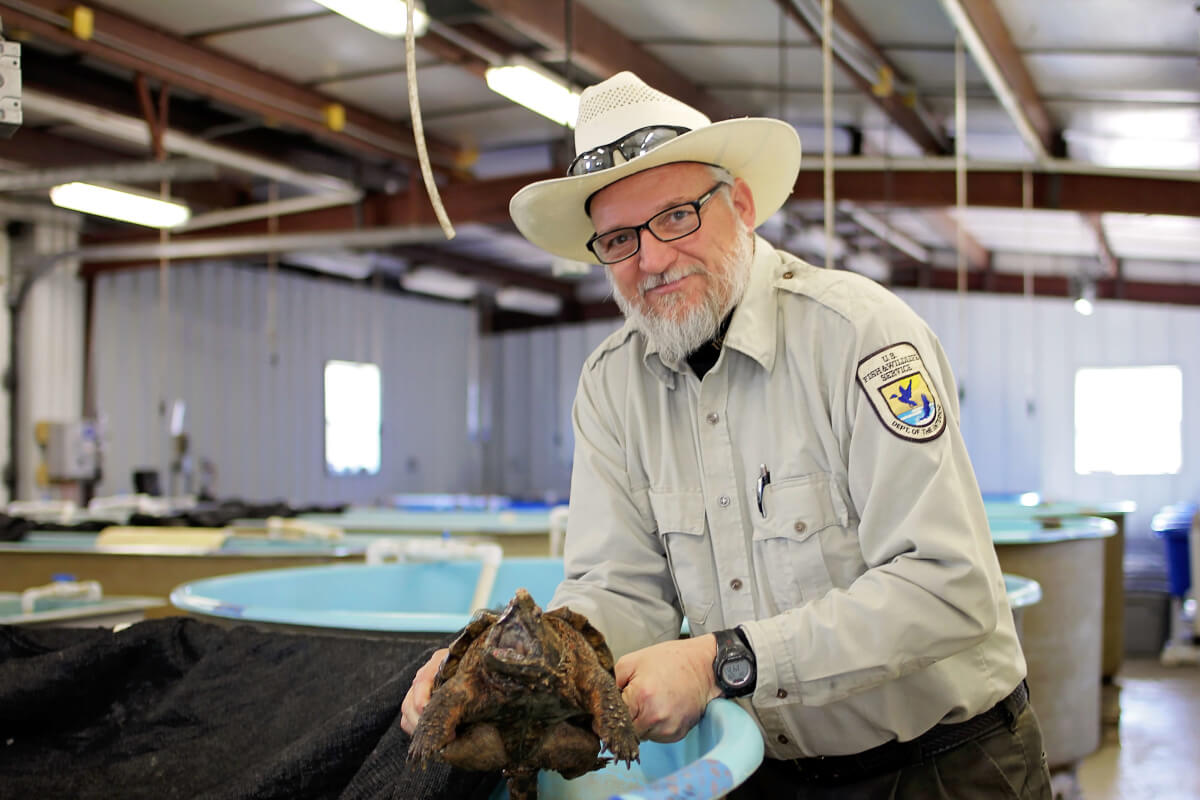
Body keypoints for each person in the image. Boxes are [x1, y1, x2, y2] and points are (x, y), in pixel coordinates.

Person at [402, 70, 1052, 799]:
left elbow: (950, 588)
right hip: (765, 774)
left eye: (675, 216)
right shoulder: (613, 386)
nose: (650, 260)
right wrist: (505, 666)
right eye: (618, 239)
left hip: (945, 767)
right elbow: (619, 587)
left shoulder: (860, 338)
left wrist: (719, 663)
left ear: (739, 204)